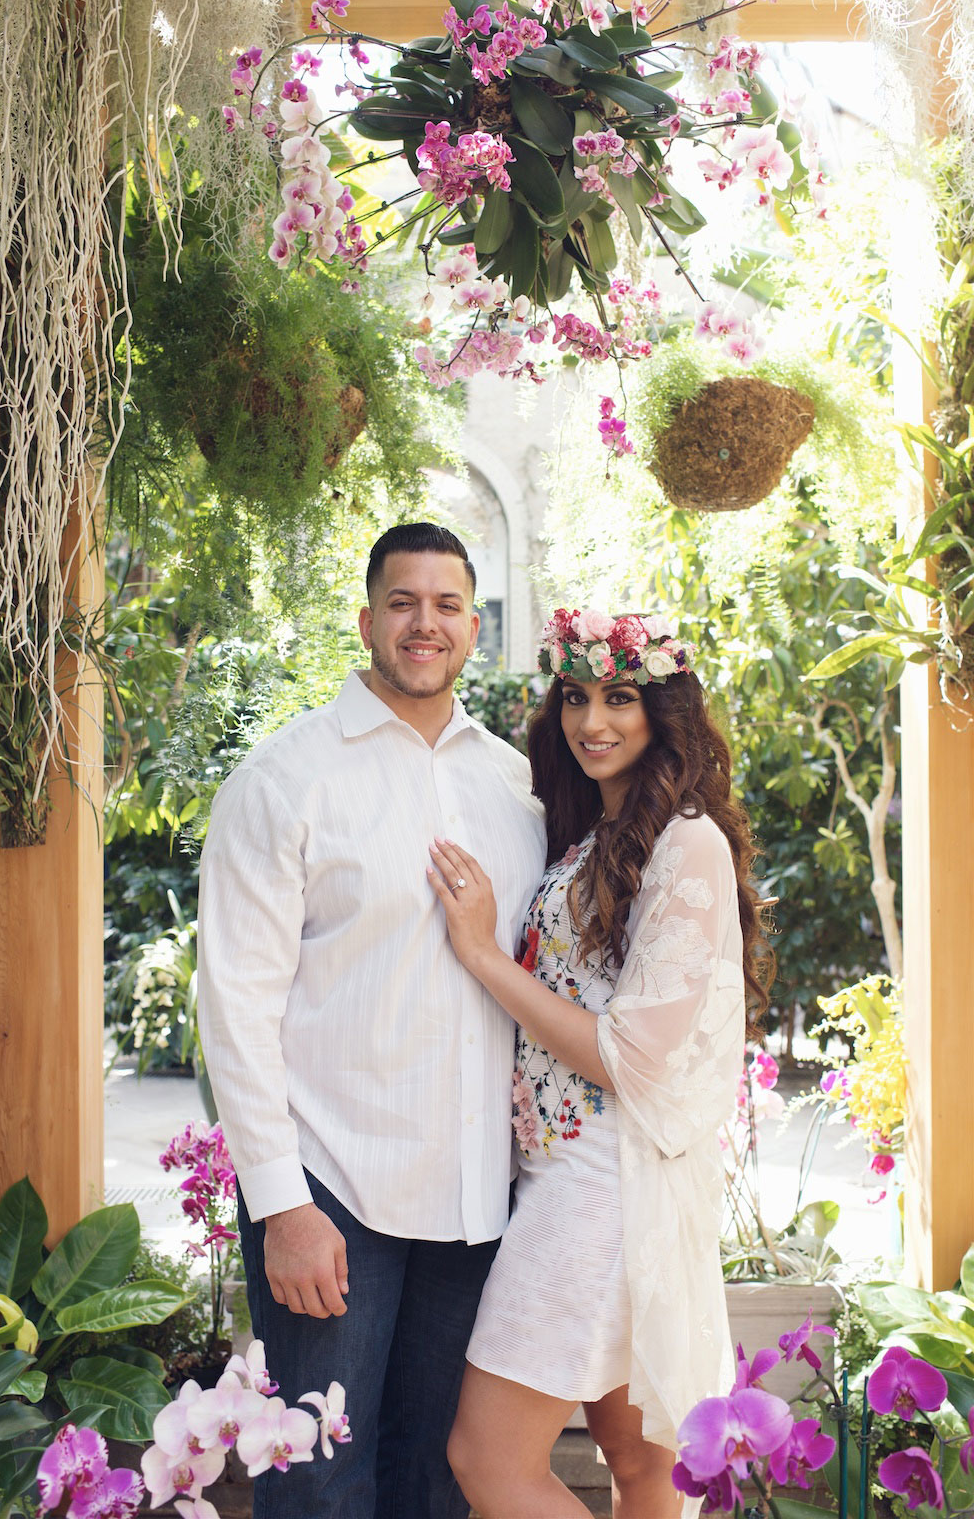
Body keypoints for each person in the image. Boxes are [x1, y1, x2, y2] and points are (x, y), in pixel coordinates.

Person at [195, 522, 546, 1519]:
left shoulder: (512, 788)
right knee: (318, 1480)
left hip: (476, 1198)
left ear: (473, 628)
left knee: (433, 1477)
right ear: (366, 621)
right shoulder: (285, 779)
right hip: (333, 1190)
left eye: (444, 606)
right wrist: (282, 1204)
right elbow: (236, 1003)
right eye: (402, 602)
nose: (422, 623)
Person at [426, 606, 772, 1519]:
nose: (592, 722)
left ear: (665, 710)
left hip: (600, 1188)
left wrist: (483, 955)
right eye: (575, 698)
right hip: (564, 1177)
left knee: (487, 1460)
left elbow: (631, 1056)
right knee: (637, 1460)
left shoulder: (684, 841)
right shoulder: (592, 837)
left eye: (620, 698)